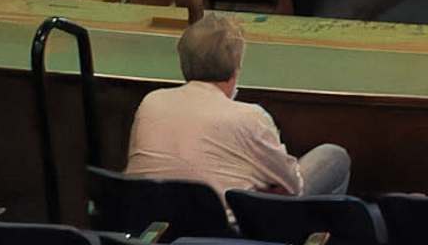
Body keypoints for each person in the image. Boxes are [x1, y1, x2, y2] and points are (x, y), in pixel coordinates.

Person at [123, 13, 349, 200]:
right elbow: (293, 187)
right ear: (236, 66)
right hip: (230, 235)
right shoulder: (250, 117)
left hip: (151, 225)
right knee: (333, 156)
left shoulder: (151, 102)